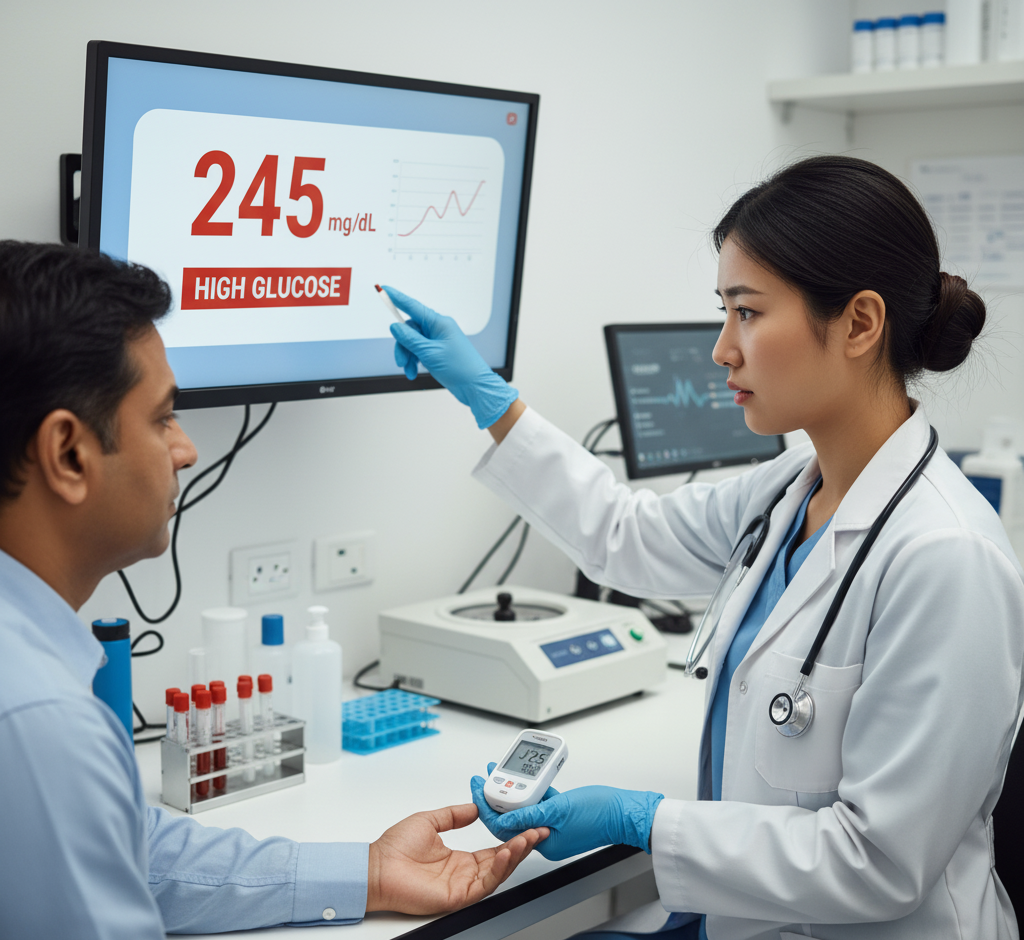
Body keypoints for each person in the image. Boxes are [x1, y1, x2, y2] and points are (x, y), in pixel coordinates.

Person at [384, 155, 1024, 939]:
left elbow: (878, 863)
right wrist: (491, 397)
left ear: (859, 323)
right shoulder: (792, 488)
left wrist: (644, 820)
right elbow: (627, 538)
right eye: (724, 311)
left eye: (748, 313)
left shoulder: (946, 559)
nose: (722, 349)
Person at [0, 241, 546, 939]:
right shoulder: (41, 726)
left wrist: (371, 873)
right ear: (69, 454)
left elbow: (133, 850)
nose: (186, 449)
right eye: (163, 417)